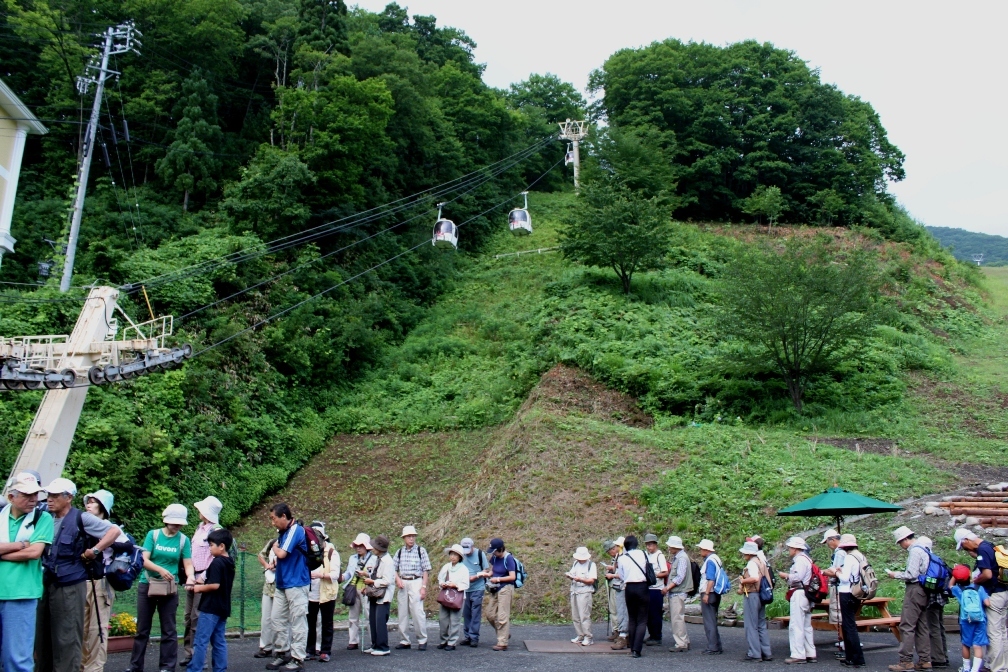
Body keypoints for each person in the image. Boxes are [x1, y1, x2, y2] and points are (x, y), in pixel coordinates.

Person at [37, 478, 121, 672]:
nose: (49, 499)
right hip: (46, 581)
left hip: (70, 584)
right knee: (42, 636)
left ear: (69, 498)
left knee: (67, 636)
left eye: (55, 495)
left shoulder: (81, 518)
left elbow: (114, 531)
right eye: (48, 495)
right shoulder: (44, 516)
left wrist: (95, 550)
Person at [129, 503, 195, 672]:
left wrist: (191, 576)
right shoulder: (154, 535)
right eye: (174, 523)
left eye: (180, 524)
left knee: (169, 629)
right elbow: (144, 559)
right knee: (142, 629)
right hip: (148, 585)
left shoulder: (183, 540)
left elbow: (188, 563)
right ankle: (135, 666)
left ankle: (167, 667)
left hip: (169, 588)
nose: (177, 526)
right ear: (166, 520)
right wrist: (160, 569)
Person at [0, 472, 53, 672]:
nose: (34, 499)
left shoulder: (42, 517)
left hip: (22, 593)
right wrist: (21, 544)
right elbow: (28, 548)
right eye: (27, 495)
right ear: (11, 497)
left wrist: (3, 552)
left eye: (35, 494)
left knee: (18, 658)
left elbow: (34, 552)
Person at [81, 489, 128, 672]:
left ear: (102, 506)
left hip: (101, 582)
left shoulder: (109, 527)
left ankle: (95, 668)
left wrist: (101, 545)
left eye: (93, 502)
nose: (89, 505)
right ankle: (82, 665)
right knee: (81, 628)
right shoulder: (81, 523)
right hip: (81, 581)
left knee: (98, 629)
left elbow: (127, 544)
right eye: (88, 501)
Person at [266, 503, 310, 672]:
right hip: (282, 582)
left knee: (298, 620)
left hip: (297, 583)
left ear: (284, 516)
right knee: (277, 619)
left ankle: (298, 658)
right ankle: (282, 652)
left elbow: (282, 553)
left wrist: (275, 547)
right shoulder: (283, 532)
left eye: (274, 519)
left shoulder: (296, 530)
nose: (273, 523)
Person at [956, 528, 1007, 672]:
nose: (965, 549)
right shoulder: (989, 545)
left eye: (963, 546)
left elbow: (988, 574)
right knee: (1002, 631)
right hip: (1003, 592)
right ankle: (1003, 664)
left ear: (966, 540)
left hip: (993, 595)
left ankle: (997, 668)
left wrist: (975, 582)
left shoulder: (982, 550)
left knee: (993, 632)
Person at [186, 528, 236, 672]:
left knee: (200, 641)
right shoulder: (229, 562)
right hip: (223, 607)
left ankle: (194, 669)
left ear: (222, 546)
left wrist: (198, 588)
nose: (209, 548)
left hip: (210, 607)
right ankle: (220, 669)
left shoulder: (216, 562)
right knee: (219, 640)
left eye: (211, 545)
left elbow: (214, 585)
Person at [182, 496, 223, 668]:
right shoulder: (199, 528)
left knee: (197, 618)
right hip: (192, 577)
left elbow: (218, 558)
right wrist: (190, 575)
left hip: (204, 578)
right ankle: (189, 653)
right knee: (188, 617)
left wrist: (203, 576)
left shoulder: (216, 530)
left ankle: (199, 658)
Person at [886, 525, 932, 672]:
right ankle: (925, 659)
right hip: (924, 589)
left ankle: (905, 660)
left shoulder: (915, 550)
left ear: (905, 539)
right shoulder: (925, 548)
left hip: (915, 589)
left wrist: (895, 575)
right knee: (921, 625)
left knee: (907, 625)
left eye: (900, 542)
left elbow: (911, 574)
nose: (900, 545)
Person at [778, 535, 816, 664]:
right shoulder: (808, 559)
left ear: (795, 548)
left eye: (790, 548)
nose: (789, 550)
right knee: (806, 625)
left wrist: (786, 576)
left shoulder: (800, 560)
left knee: (796, 624)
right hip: (807, 593)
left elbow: (797, 577)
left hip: (799, 593)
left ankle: (798, 654)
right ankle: (810, 652)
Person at [393, 525, 431, 651]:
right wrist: (398, 579)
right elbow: (393, 568)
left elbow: (426, 570)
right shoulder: (399, 552)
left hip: (416, 581)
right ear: (404, 538)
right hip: (403, 581)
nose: (411, 539)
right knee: (402, 613)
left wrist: (423, 587)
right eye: (409, 536)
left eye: (413, 536)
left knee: (417, 612)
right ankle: (404, 640)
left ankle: (422, 639)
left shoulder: (421, 551)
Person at [306, 522, 339, 662]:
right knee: (310, 622)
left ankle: (325, 651)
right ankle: (310, 650)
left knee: (326, 622)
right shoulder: (308, 551)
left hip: (327, 592)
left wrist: (320, 575)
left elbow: (335, 574)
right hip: (311, 592)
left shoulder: (331, 552)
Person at [949, 563, 990, 672]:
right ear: (969, 575)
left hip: (965, 620)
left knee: (966, 645)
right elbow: (987, 603)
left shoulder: (958, 589)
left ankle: (966, 668)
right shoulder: (979, 588)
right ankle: (975, 670)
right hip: (980, 620)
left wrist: (955, 574)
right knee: (977, 645)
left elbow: (950, 585)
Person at [834, 534, 867, 668]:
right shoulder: (860, 556)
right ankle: (852, 657)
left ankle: (856, 658)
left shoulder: (848, 557)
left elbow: (845, 578)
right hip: (858, 592)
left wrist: (836, 572)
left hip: (847, 592)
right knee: (850, 624)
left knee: (848, 626)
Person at [739, 540, 772, 662]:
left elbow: (755, 578)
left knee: (751, 625)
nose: (744, 555)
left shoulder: (752, 563)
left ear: (748, 553)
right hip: (762, 595)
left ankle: (754, 653)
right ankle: (766, 652)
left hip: (752, 595)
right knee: (761, 624)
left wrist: (743, 581)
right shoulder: (761, 561)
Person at [919, 536, 950, 669]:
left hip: (931, 598)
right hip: (940, 597)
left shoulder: (927, 559)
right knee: (940, 626)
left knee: (933, 628)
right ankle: (944, 655)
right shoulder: (937, 558)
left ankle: (938, 658)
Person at [360, 534, 394, 657]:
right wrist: (367, 578)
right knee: (373, 619)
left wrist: (372, 582)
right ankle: (375, 644)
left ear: (380, 549)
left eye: (374, 547)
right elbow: (375, 574)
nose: (372, 548)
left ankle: (383, 647)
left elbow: (387, 580)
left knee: (380, 621)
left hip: (383, 595)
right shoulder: (377, 559)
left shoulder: (388, 561)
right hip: (374, 593)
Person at [618, 535, 650, 658]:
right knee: (642, 619)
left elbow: (621, 576)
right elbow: (648, 569)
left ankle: (632, 647)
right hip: (642, 587)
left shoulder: (622, 558)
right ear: (636, 544)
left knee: (632, 618)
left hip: (629, 588)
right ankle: (637, 649)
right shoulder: (643, 554)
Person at [342, 533, 375, 652]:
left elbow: (375, 575)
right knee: (353, 616)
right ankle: (353, 641)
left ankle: (373, 641)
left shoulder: (373, 559)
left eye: (361, 545)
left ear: (366, 546)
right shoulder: (353, 558)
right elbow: (348, 573)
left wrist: (365, 574)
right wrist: (341, 577)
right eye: (357, 546)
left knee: (369, 615)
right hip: (353, 588)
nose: (358, 548)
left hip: (366, 589)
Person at [483, 537, 517, 652]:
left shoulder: (509, 558)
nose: (494, 554)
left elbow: (512, 577)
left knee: (502, 615)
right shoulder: (495, 557)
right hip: (495, 588)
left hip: (506, 588)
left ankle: (502, 643)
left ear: (501, 549)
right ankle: (504, 633)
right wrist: (486, 574)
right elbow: (493, 571)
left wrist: (498, 579)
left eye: (495, 551)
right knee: (490, 614)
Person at [436, 544, 470, 650]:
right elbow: (440, 579)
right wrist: (442, 584)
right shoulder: (446, 567)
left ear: (459, 557)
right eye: (451, 554)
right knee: (443, 620)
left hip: (458, 597)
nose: (453, 557)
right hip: (446, 595)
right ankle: (443, 640)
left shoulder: (464, 569)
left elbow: (466, 584)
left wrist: (455, 585)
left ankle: (452, 642)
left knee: (455, 620)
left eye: (455, 555)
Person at [662, 535, 692, 653]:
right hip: (677, 592)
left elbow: (680, 577)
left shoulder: (682, 558)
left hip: (678, 592)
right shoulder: (678, 557)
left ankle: (681, 643)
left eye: (670, 546)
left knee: (677, 618)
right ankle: (684, 640)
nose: (669, 548)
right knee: (677, 617)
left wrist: (667, 588)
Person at [820, 529, 845, 659]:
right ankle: (845, 641)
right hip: (842, 587)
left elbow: (836, 571)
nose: (827, 545)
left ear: (833, 540)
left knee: (838, 615)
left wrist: (822, 572)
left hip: (839, 587)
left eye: (827, 542)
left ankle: (844, 642)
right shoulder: (844, 551)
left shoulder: (840, 553)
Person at [255, 538, 281, 659]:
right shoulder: (272, 542)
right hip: (269, 586)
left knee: (280, 619)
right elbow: (260, 555)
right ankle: (265, 647)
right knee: (266, 619)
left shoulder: (289, 543)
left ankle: (281, 648)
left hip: (281, 586)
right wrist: (267, 565)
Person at [698, 538, 725, 655]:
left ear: (706, 550)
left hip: (710, 592)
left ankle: (713, 646)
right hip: (716, 593)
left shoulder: (710, 561)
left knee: (709, 620)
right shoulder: (716, 559)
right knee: (713, 619)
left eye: (701, 549)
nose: (700, 551)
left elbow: (710, 579)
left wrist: (707, 593)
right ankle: (717, 645)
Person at [459, 537, 487, 648]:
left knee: (475, 612)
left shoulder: (480, 554)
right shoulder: (461, 555)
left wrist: (476, 576)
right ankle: (467, 636)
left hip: (478, 587)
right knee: (466, 613)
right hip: (465, 588)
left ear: (473, 546)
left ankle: (474, 637)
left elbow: (485, 570)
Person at [567, 546, 597, 646]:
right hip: (574, 590)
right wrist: (570, 576)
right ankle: (580, 635)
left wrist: (580, 579)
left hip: (585, 591)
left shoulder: (591, 565)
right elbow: (572, 573)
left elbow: (592, 580)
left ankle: (588, 637)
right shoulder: (576, 563)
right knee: (575, 615)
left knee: (584, 615)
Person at [642, 533, 669, 646]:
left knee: (655, 613)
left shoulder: (659, 556)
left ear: (655, 544)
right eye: (647, 545)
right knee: (648, 614)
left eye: (651, 545)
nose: (649, 547)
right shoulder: (647, 555)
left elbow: (665, 572)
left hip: (657, 588)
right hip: (648, 587)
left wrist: (654, 575)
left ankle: (657, 636)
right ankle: (652, 635)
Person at [603, 538, 629, 650]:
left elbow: (623, 574)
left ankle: (623, 634)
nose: (615, 548)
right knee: (616, 610)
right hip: (616, 586)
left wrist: (612, 575)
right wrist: (612, 569)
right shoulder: (619, 557)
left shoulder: (625, 557)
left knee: (622, 611)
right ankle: (619, 632)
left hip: (622, 587)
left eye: (616, 546)